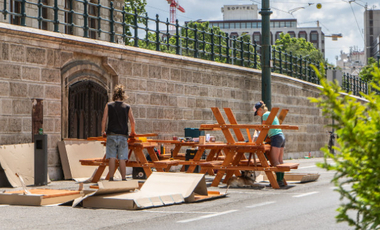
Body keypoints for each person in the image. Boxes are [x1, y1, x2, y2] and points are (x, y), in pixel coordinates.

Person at [101, 85, 136, 181]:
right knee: (122, 158)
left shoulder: (109, 105)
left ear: (114, 95)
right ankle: (124, 178)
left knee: (111, 157)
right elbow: (132, 121)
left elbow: (104, 120)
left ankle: (111, 178)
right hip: (123, 135)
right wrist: (133, 132)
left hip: (111, 134)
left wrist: (103, 131)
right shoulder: (127, 107)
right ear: (123, 95)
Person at [253, 101, 286, 187]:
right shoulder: (271, 114)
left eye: (257, 113)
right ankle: (281, 180)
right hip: (281, 136)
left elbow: (264, 129)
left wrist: (257, 129)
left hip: (275, 137)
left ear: (260, 109)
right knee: (280, 160)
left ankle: (278, 181)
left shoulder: (265, 115)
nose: (258, 115)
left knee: (274, 161)